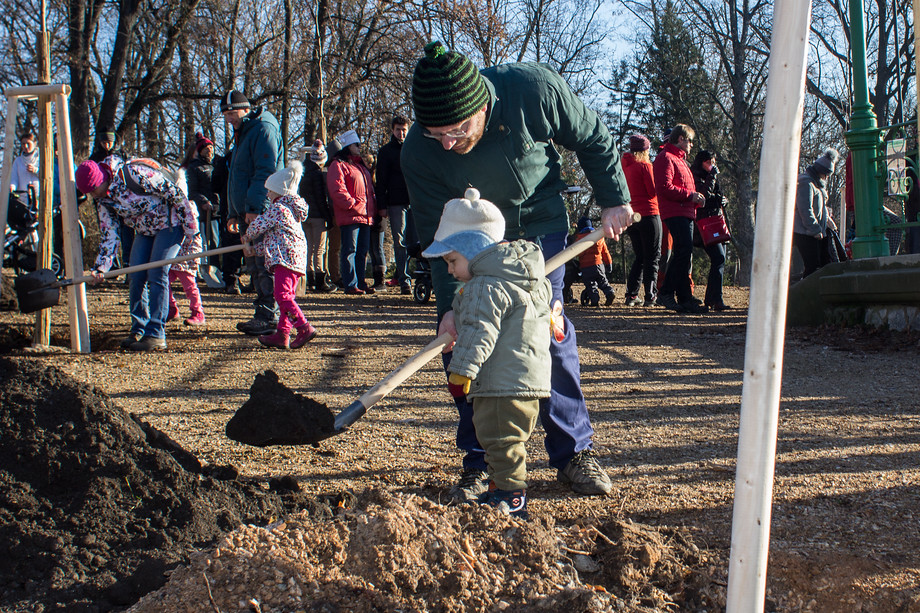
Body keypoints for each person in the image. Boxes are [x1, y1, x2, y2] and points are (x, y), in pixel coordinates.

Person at [401, 41, 636, 499]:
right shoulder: (419, 153)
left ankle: (573, 452)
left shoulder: (532, 90)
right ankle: (483, 460)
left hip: (537, 225)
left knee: (545, 329)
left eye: (457, 129)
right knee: (467, 334)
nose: (448, 143)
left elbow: (592, 136)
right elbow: (438, 235)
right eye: (436, 134)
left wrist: (614, 198)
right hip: (472, 236)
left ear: (482, 105)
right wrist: (450, 307)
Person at [422, 188, 551, 518]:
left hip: (499, 382)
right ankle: (501, 492)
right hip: (527, 379)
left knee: (499, 442)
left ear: (472, 248)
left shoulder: (484, 285)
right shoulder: (527, 278)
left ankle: (510, 500)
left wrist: (462, 368)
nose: (449, 270)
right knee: (506, 442)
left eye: (452, 260)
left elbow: (481, 330)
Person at [75, 156, 198, 351]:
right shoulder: (104, 201)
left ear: (101, 180)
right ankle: (139, 328)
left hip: (170, 223)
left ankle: (156, 333)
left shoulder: (133, 174)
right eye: (89, 193)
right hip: (145, 230)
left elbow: (174, 193)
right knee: (136, 274)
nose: (93, 195)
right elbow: (110, 233)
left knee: (157, 271)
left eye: (93, 190)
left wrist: (191, 230)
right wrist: (101, 266)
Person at [221, 89, 284, 335]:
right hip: (246, 211)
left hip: (260, 210)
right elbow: (236, 176)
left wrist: (255, 208)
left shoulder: (262, 128)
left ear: (246, 109)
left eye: (232, 112)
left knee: (263, 262)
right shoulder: (243, 132)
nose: (229, 118)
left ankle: (270, 315)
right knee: (253, 263)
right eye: (225, 114)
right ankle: (264, 311)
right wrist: (234, 212)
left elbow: (264, 171)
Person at [242, 161, 317, 349]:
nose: (267, 194)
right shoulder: (290, 212)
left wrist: (247, 235)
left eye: (270, 191)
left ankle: (303, 327)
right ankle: (283, 334)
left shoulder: (278, 209)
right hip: (293, 259)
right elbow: (274, 242)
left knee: (282, 295)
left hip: (286, 261)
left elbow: (259, 225)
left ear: (280, 192)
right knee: (285, 297)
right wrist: (254, 251)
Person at [654, 124, 707, 314]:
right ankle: (667, 292)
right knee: (683, 252)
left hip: (685, 212)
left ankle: (684, 298)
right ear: (681, 139)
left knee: (684, 254)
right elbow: (664, 187)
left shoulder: (680, 160)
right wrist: (690, 196)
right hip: (674, 211)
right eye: (690, 140)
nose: (692, 145)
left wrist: (694, 199)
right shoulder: (666, 158)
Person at [326, 129, 377, 295]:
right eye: (356, 144)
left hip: (365, 215)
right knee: (350, 250)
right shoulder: (338, 165)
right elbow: (337, 189)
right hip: (351, 215)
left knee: (362, 251)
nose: (359, 147)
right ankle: (350, 283)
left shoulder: (359, 166)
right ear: (348, 145)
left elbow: (368, 189)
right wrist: (352, 204)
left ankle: (360, 282)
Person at [376, 115, 418, 295]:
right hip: (395, 202)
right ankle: (404, 280)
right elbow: (381, 180)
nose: (401, 133)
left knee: (415, 242)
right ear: (393, 130)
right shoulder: (385, 152)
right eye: (398, 130)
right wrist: (382, 204)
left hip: (415, 202)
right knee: (399, 242)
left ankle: (417, 276)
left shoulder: (415, 149)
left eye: (404, 130)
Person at [622, 133, 661, 307]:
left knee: (639, 256)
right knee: (652, 256)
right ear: (645, 150)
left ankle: (631, 294)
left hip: (632, 216)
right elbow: (652, 191)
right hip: (650, 213)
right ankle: (650, 295)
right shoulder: (645, 166)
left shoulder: (625, 167)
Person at [180, 132, 223, 288]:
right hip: (205, 213)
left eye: (211, 148)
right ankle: (203, 269)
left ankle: (219, 269)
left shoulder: (218, 163)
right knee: (207, 242)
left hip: (220, 210)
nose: (209, 151)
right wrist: (203, 201)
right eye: (206, 149)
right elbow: (193, 190)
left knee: (218, 243)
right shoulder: (194, 167)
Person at [690, 150, 731, 310]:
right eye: (708, 162)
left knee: (719, 261)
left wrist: (723, 200)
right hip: (705, 224)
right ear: (701, 162)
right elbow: (703, 197)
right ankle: (716, 299)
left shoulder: (710, 177)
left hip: (717, 222)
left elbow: (715, 195)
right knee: (718, 258)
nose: (712, 166)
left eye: (713, 163)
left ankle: (712, 298)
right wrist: (712, 176)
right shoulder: (696, 176)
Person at [793, 148, 841, 277]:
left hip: (814, 232)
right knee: (812, 265)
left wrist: (829, 222)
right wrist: (815, 229)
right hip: (804, 232)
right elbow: (805, 209)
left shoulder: (816, 184)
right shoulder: (806, 183)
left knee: (819, 263)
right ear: (822, 172)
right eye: (826, 175)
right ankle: (804, 291)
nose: (826, 178)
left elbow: (821, 208)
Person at [299, 139, 337, 292]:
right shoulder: (317, 175)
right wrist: (327, 216)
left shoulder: (301, 172)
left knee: (308, 247)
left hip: (304, 216)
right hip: (318, 216)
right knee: (319, 248)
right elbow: (321, 198)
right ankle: (321, 279)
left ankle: (309, 278)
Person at [573, 217, 615, 307]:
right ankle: (610, 292)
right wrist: (609, 263)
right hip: (599, 264)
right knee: (603, 281)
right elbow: (605, 252)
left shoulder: (579, 239)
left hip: (586, 267)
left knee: (590, 284)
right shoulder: (599, 237)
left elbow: (578, 253)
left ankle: (594, 300)